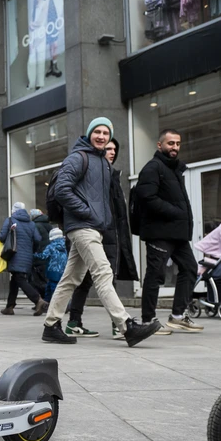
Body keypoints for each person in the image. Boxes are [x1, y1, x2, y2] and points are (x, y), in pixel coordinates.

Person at [42, 118, 159, 347]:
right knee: (103, 273)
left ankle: (51, 325)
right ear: (89, 134)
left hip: (92, 227)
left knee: (71, 278)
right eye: (97, 131)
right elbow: (62, 191)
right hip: (82, 226)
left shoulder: (103, 163)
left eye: (106, 132)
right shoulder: (78, 158)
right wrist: (87, 213)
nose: (101, 136)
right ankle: (127, 326)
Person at [66, 139, 139, 339]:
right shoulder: (96, 176)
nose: (112, 152)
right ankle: (119, 325)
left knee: (83, 279)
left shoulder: (112, 175)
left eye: (115, 149)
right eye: (108, 148)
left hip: (108, 233)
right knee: (102, 277)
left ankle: (68, 322)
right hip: (97, 232)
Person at [136, 128, 201, 332]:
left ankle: (178, 315)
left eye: (178, 144)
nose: (174, 147)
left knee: (190, 268)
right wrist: (175, 212)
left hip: (177, 233)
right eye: (170, 143)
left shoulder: (174, 169)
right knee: (155, 275)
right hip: (160, 232)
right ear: (160, 145)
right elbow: (147, 197)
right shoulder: (153, 167)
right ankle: (148, 320)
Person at [0, 202, 48, 316]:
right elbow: (37, 239)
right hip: (28, 256)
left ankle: (38, 300)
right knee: (15, 280)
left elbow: (2, 237)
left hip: (14, 254)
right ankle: (9, 306)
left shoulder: (11, 220)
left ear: (14, 210)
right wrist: (32, 250)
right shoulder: (31, 223)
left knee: (20, 279)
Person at [35, 227, 67, 302]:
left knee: (51, 289)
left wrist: (35, 255)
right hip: (63, 270)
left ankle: (53, 303)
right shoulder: (65, 246)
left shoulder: (51, 246)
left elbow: (44, 256)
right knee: (55, 287)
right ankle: (48, 303)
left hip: (52, 270)